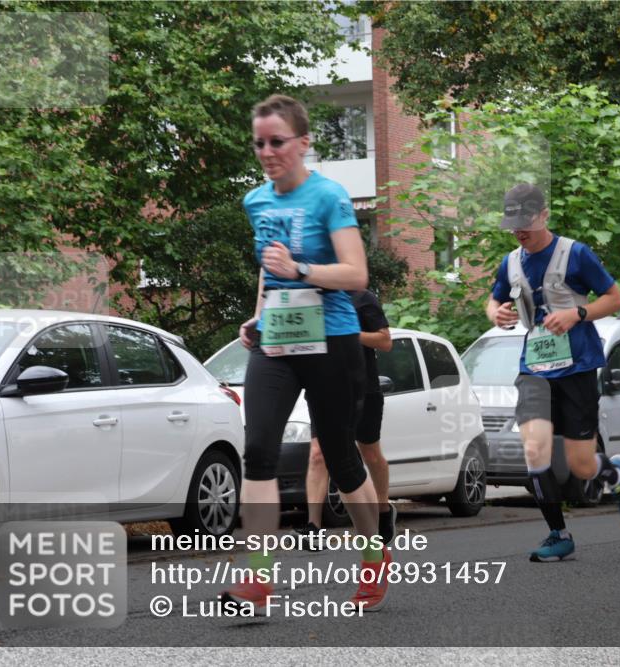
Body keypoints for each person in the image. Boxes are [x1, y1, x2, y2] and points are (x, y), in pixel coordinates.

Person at [224, 94, 389, 612]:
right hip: (278, 338)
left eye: (277, 142)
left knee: (341, 458)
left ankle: (373, 554)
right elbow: (268, 269)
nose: (268, 152)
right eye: (259, 143)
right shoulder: (256, 201)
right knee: (259, 451)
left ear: (303, 143)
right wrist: (259, 314)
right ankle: (256, 578)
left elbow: (356, 274)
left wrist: (301, 270)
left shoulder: (329, 198)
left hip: (333, 340)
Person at [486, 183, 620, 563]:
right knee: (534, 448)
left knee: (580, 465)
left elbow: (615, 298)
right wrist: (495, 313)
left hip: (578, 366)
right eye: (513, 223)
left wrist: (577, 313)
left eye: (525, 222)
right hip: (534, 369)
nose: (519, 230)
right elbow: (495, 297)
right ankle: (558, 532)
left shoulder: (576, 254)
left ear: (543, 215)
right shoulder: (511, 262)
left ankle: (613, 473)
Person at [302, 289, 395, 545]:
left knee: (371, 455)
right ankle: (313, 527)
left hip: (363, 389)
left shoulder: (361, 297)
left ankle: (383, 509)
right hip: (322, 388)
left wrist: (348, 334)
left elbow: (385, 341)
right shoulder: (308, 297)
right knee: (318, 454)